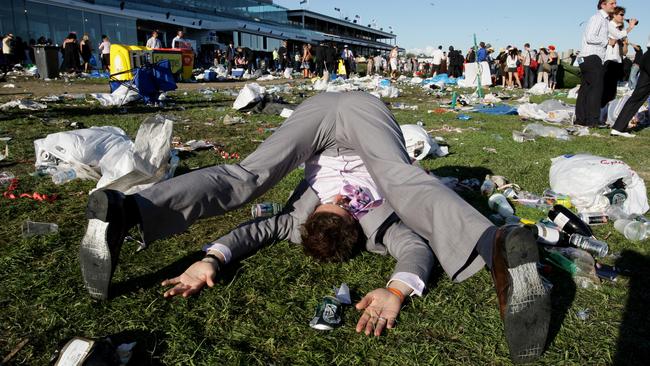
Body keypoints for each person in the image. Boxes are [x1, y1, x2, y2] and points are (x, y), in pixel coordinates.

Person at [79, 91, 551, 363]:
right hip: (362, 115)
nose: (342, 197)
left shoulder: (294, 219)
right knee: (402, 182)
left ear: (314, 214)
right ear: (357, 223)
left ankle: (130, 211)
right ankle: (497, 245)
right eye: (346, 205)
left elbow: (251, 232)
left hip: (321, 111)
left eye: (334, 203)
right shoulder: (378, 226)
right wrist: (397, 288)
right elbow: (413, 249)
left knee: (247, 177)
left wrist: (210, 258)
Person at [575, 0, 618, 127]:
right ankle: (593, 121)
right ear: (603, 5)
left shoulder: (604, 20)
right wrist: (607, 41)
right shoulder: (598, 18)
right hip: (592, 57)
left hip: (587, 58)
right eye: (612, 3)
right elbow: (590, 37)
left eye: (615, 3)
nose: (614, 5)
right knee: (596, 89)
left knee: (586, 89)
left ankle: (581, 119)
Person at [610, 40, 650, 137]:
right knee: (637, 98)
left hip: (647, 56)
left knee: (637, 98)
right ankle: (618, 128)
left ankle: (618, 128)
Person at [601, 6, 637, 108]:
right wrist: (630, 27)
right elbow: (617, 35)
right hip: (609, 60)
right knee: (607, 88)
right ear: (614, 15)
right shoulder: (609, 25)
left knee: (612, 89)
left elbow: (624, 52)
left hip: (617, 60)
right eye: (621, 14)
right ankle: (601, 110)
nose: (623, 17)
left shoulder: (619, 31)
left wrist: (624, 44)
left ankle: (607, 111)